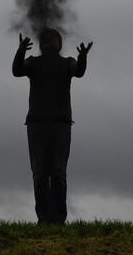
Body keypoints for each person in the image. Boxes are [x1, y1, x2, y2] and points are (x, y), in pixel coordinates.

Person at [12, 28, 92, 225]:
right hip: (39, 124)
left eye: (53, 39)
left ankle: (57, 219)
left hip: (59, 124)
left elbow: (79, 72)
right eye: (46, 39)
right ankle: (44, 218)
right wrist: (20, 51)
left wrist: (82, 58)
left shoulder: (68, 63)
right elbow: (17, 71)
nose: (49, 42)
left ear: (59, 44)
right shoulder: (33, 62)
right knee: (40, 173)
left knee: (57, 172)